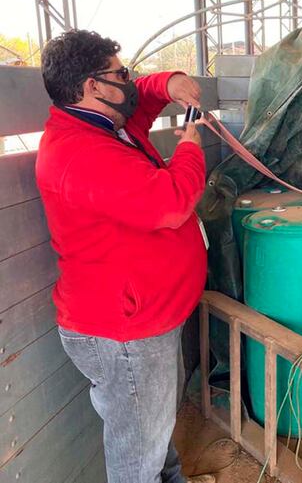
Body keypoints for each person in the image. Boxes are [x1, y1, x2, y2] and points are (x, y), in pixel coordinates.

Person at [36, 30, 215, 483]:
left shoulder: (104, 127)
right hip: (124, 332)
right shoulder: (80, 152)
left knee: (152, 430)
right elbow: (171, 202)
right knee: (137, 455)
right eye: (121, 73)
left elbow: (144, 103)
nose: (130, 80)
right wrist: (191, 149)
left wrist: (169, 83)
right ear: (93, 86)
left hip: (142, 319)